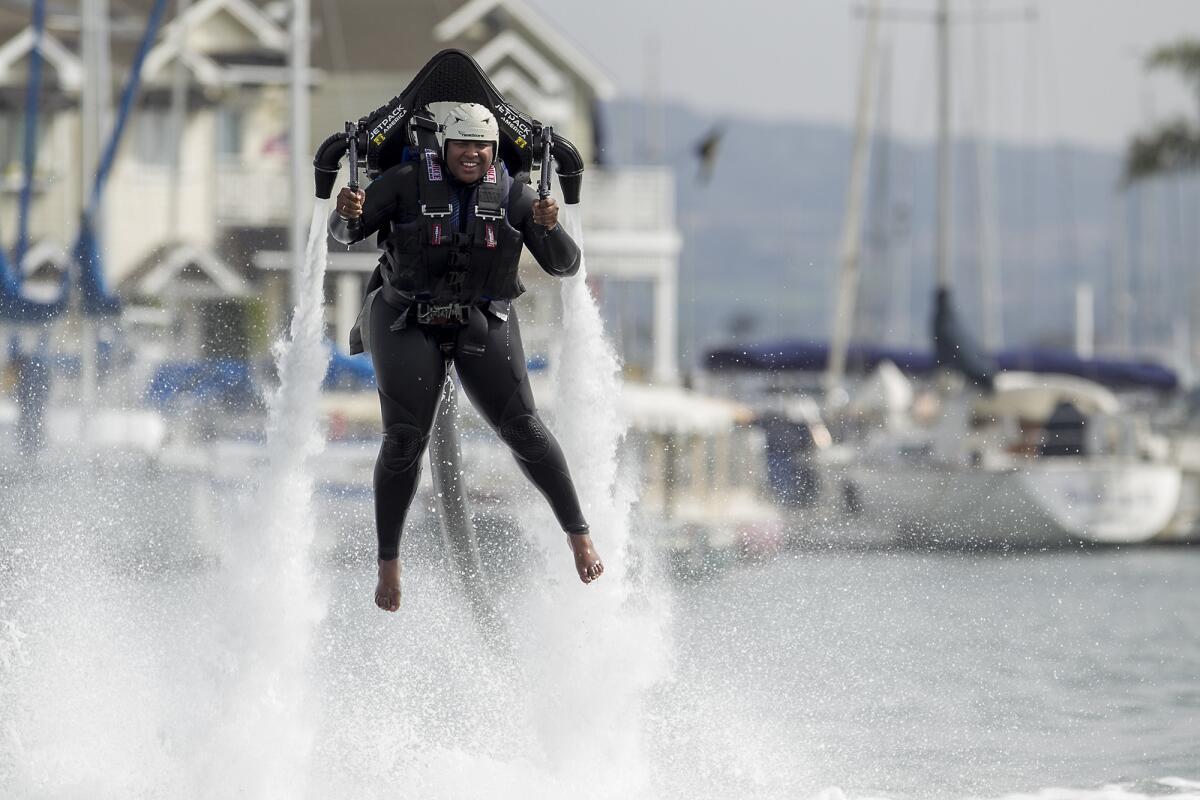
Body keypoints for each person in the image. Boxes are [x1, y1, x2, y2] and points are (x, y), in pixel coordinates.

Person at [330, 102, 604, 612]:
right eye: (463, 146)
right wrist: (345, 213)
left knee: (524, 428)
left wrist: (551, 226)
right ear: (445, 146)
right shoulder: (406, 183)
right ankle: (389, 562)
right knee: (404, 440)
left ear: (495, 150)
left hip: (482, 318)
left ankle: (578, 533)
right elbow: (345, 235)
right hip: (405, 319)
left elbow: (566, 266)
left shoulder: (517, 196)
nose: (472, 155)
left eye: (482, 147)